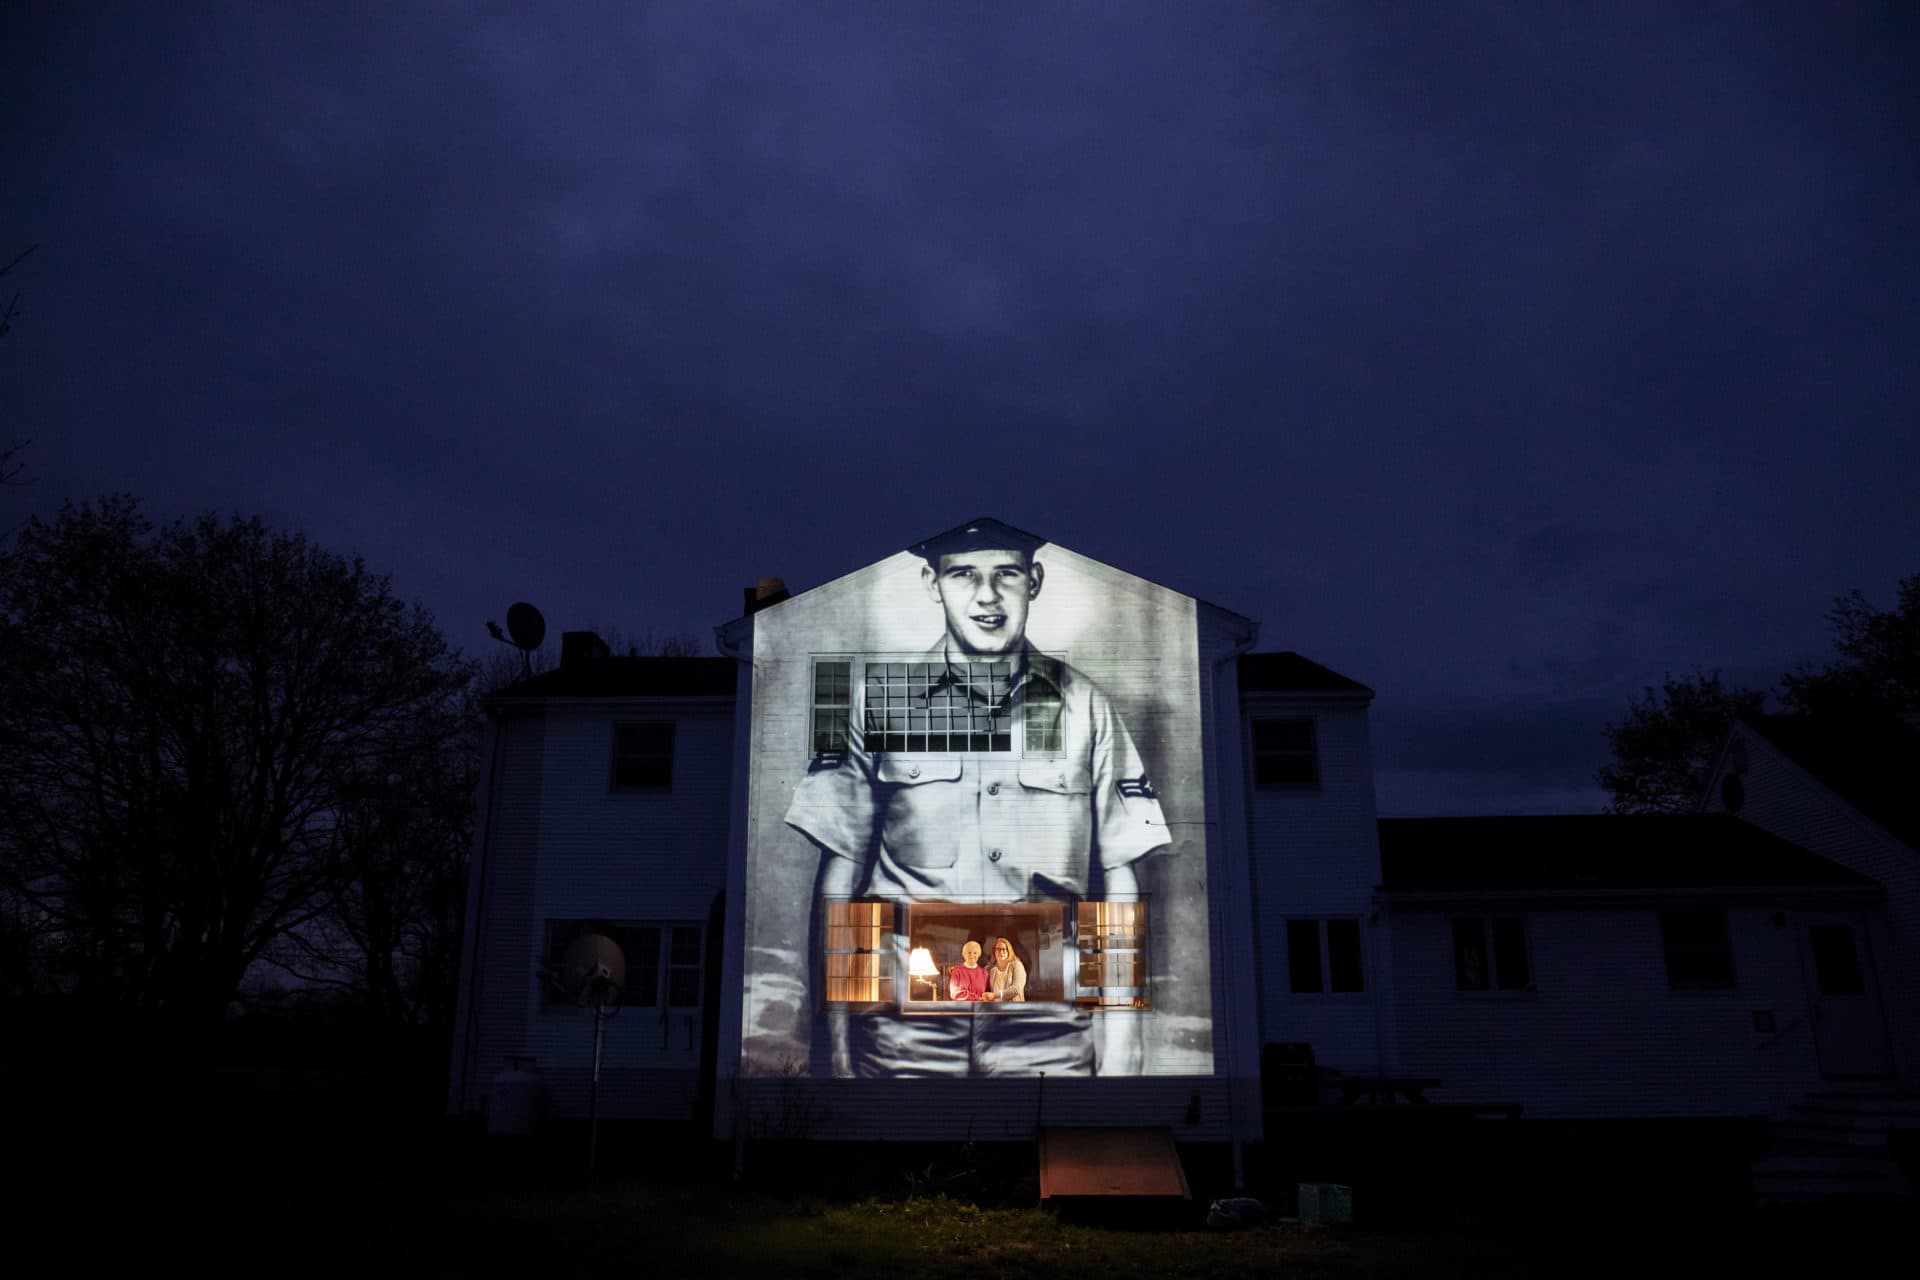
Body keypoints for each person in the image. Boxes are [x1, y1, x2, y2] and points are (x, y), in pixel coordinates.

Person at [786, 519, 1170, 1077]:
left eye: (1006, 573)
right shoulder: (876, 703)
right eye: (963, 574)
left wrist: (1124, 1037)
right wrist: (835, 1042)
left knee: (1048, 1161)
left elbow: (1118, 883)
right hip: (902, 1032)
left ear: (1034, 581)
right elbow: (841, 885)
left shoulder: (1087, 707)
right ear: (931, 582)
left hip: (1047, 1027)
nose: (987, 596)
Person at [986, 937, 1026, 1003]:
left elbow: (1016, 989)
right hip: (995, 1009)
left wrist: (995, 995)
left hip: (1013, 1009)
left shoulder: (1017, 966)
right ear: (994, 952)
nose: (1001, 951)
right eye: (998, 949)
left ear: (1009, 951)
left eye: (1004, 949)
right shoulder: (991, 969)